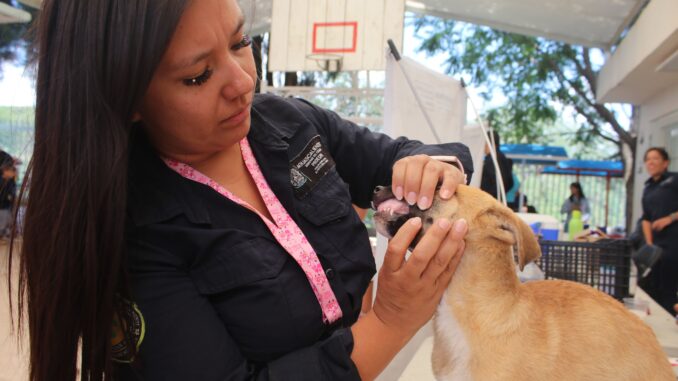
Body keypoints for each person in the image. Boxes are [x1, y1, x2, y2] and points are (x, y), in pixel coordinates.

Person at [10, 1, 474, 380]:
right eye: (197, 76)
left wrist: (431, 167)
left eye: (241, 43)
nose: (243, 82)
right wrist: (390, 320)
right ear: (126, 96)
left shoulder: (291, 124)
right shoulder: (135, 232)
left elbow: (403, 154)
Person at [637, 147, 678, 314]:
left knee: (669, 288)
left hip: (674, 243)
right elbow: (646, 218)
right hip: (656, 246)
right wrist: (649, 244)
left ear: (666, 162)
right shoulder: (648, 187)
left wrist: (670, 218)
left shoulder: (674, 180)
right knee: (649, 286)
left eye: (655, 158)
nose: (651, 162)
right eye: (648, 159)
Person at [480, 129, 514, 200]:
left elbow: (496, 182)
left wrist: (489, 195)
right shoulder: (502, 157)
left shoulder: (492, 160)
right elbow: (510, 182)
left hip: (489, 200)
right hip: (498, 199)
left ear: (488, 143)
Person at [0, 150, 16, 238]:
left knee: (7, 217)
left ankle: (6, 231)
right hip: (3, 205)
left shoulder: (10, 180)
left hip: (6, 205)